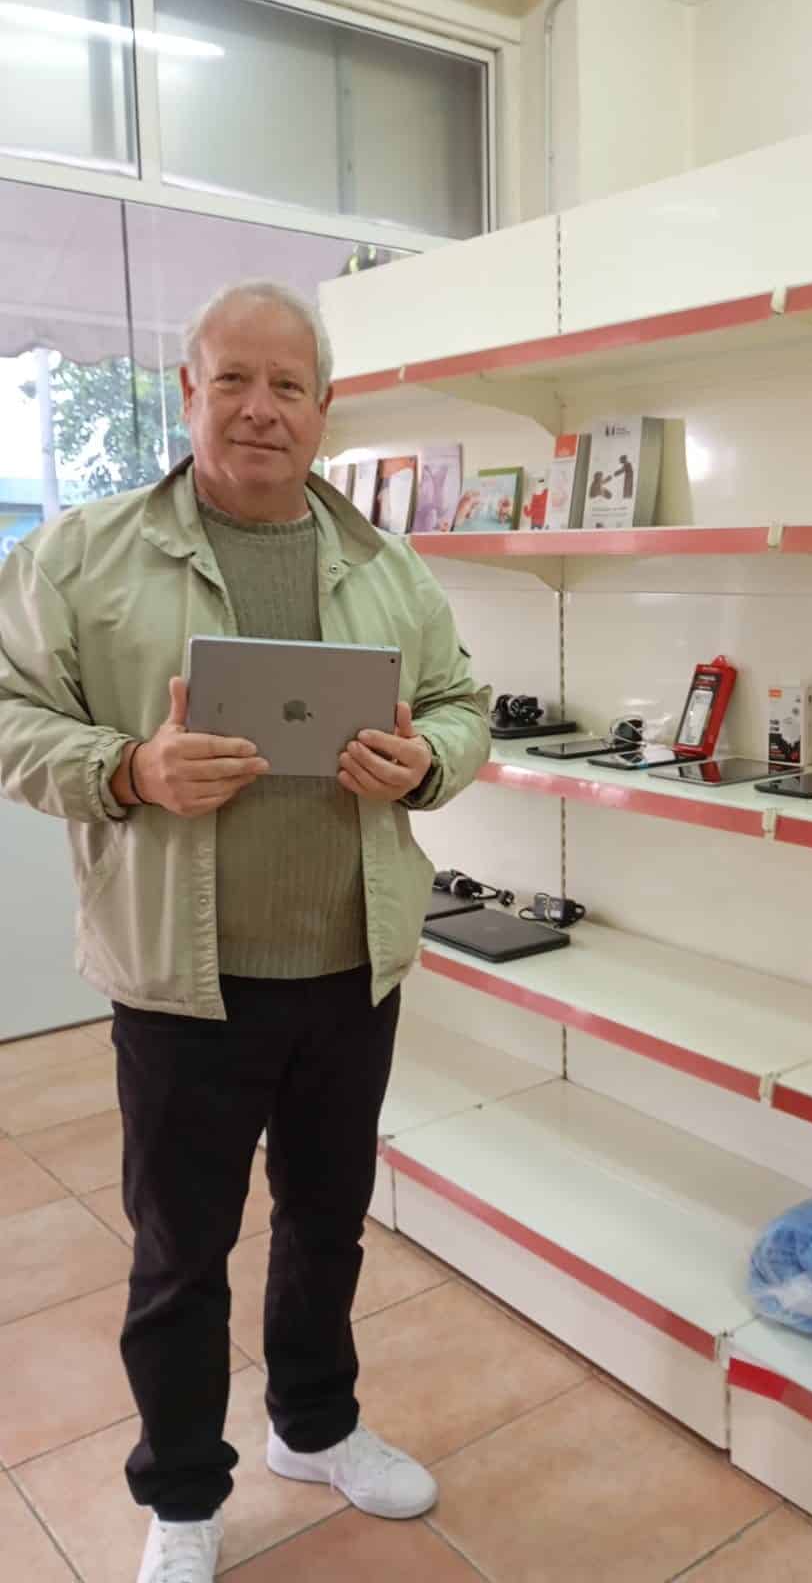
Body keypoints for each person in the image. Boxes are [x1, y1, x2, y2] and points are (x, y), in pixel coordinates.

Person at [0, 280, 491, 1583]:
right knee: (182, 1255)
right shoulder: (81, 555)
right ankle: (181, 1496)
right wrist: (127, 768)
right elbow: (6, 715)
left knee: (327, 1224)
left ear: (325, 408)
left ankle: (313, 1427)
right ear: (188, 392)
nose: (260, 409)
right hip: (183, 980)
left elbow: (461, 703)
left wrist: (427, 760)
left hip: (350, 966)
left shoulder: (385, 566)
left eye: (287, 385)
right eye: (233, 379)